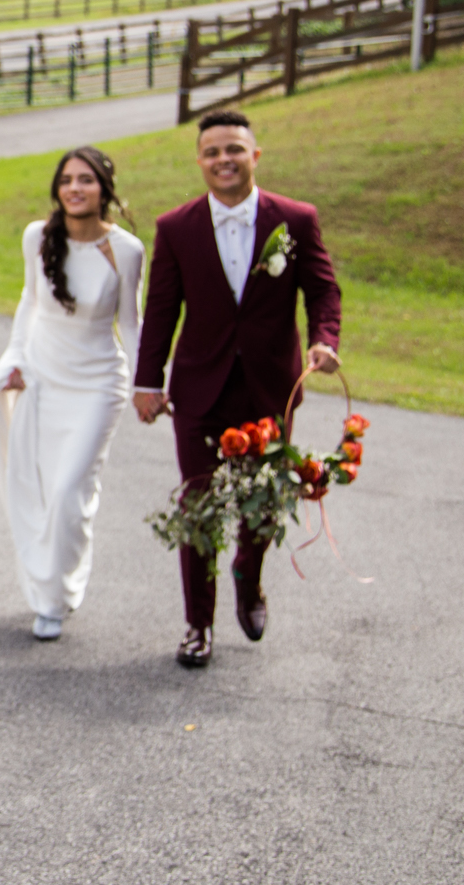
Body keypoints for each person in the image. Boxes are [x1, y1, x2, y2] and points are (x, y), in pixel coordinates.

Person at [133, 108, 340, 669]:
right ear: (200, 160)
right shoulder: (176, 227)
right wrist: (148, 382)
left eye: (234, 149)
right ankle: (198, 625)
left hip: (271, 389)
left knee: (263, 504)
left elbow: (323, 291)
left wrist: (324, 340)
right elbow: (161, 311)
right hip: (199, 390)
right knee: (198, 506)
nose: (224, 159)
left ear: (255, 155)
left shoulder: (295, 220)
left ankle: (249, 577)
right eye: (213, 151)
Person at [0, 146, 144, 642]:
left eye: (86, 179)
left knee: (70, 490)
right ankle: (52, 585)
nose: (75, 188)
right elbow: (29, 302)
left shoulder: (127, 250)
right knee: (42, 487)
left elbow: (131, 324)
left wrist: (148, 384)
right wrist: (15, 360)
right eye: (68, 179)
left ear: (104, 189)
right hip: (42, 377)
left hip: (99, 385)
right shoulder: (37, 237)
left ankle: (55, 598)